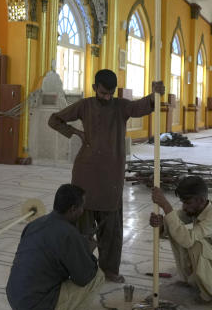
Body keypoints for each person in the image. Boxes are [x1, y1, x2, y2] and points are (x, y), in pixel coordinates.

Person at [48, 69, 165, 283]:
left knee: (111, 229)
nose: (107, 97)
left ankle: (109, 270)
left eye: (110, 93)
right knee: (81, 228)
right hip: (85, 173)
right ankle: (80, 270)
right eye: (103, 93)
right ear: (94, 88)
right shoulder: (84, 105)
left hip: (112, 174)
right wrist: (76, 133)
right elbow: (54, 120)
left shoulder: (120, 106)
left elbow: (140, 107)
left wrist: (154, 95)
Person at [6, 184, 105, 310]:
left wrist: (78, 247)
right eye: (81, 207)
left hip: (17, 304)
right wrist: (87, 251)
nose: (83, 211)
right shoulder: (69, 234)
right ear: (73, 209)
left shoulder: (34, 224)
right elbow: (84, 278)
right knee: (98, 276)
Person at [149, 175, 212, 302]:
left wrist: (165, 205)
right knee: (176, 228)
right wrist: (160, 223)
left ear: (201, 200)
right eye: (183, 202)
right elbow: (173, 220)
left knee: (194, 243)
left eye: (187, 203)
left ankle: (210, 292)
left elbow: (186, 239)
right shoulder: (198, 208)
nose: (184, 207)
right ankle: (198, 281)